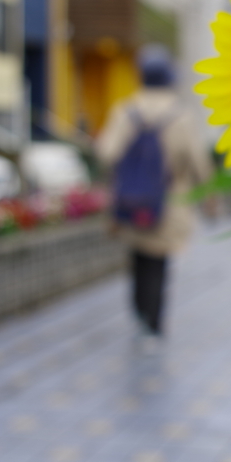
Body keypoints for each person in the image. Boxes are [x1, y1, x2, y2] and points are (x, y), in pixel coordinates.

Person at [95, 45, 213, 341]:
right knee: (159, 261)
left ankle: (138, 310)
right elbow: (199, 164)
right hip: (169, 202)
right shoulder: (180, 116)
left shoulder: (126, 110)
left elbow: (106, 153)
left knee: (138, 256)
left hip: (132, 202)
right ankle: (154, 321)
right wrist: (210, 199)